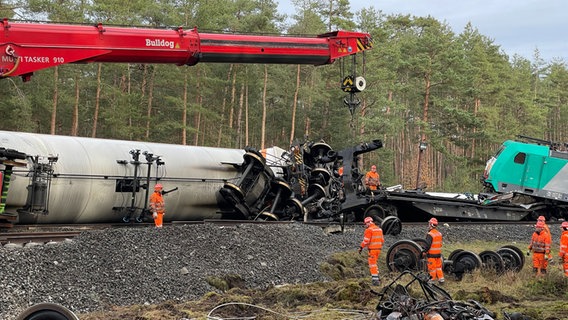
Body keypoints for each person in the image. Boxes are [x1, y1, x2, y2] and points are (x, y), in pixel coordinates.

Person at [358, 216, 384, 286]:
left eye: (365, 224)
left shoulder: (369, 230)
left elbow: (366, 241)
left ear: (368, 223)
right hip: (378, 250)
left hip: (372, 250)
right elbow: (382, 241)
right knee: (375, 263)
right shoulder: (379, 229)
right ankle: (378, 277)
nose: (365, 225)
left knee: (372, 264)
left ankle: (375, 281)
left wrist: (361, 247)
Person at [423, 217, 444, 284]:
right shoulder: (439, 234)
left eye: (429, 224)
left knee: (432, 268)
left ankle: (432, 280)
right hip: (438, 254)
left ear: (431, 225)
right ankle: (441, 279)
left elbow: (428, 245)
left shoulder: (430, 234)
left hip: (431, 255)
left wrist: (424, 252)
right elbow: (440, 244)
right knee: (438, 268)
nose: (428, 225)